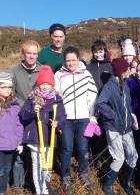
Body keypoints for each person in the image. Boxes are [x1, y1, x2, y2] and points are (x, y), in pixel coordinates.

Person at [54, 46, 98, 194]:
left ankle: (84, 173)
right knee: (66, 148)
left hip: (83, 118)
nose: (71, 63)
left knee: (82, 147)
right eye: (68, 60)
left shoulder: (86, 74)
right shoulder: (59, 75)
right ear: (64, 61)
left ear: (78, 59)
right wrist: (57, 118)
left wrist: (92, 116)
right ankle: (66, 176)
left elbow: (92, 95)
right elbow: (55, 97)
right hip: (66, 119)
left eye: (73, 60)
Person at [19, 65, 66, 195]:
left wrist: (58, 123)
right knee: (37, 165)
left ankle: (47, 187)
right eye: (42, 83)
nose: (45, 86)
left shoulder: (57, 99)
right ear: (38, 84)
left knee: (47, 166)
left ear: (52, 84)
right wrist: (32, 112)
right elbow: (23, 116)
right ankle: (41, 191)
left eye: (48, 83)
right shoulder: (32, 98)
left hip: (49, 139)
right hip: (35, 139)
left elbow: (62, 116)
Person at [95, 58, 139, 195]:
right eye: (127, 69)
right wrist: (113, 115)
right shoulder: (110, 86)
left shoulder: (124, 84)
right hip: (114, 128)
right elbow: (100, 103)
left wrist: (131, 118)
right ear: (121, 71)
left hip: (127, 128)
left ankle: (126, 182)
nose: (130, 71)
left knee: (133, 157)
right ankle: (108, 185)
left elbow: (127, 105)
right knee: (119, 158)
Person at [9, 39, 42, 190]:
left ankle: (34, 183)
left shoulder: (43, 70)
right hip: (19, 118)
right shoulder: (14, 71)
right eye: (29, 53)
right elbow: (9, 95)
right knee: (19, 154)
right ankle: (18, 185)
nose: (31, 56)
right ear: (23, 54)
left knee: (35, 154)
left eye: (35, 53)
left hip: (37, 119)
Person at [86, 39, 112, 170]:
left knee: (105, 132)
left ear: (105, 51)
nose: (98, 54)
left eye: (100, 51)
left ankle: (105, 158)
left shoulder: (110, 66)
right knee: (93, 133)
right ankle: (94, 159)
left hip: (106, 105)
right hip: (92, 105)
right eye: (95, 52)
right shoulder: (88, 67)